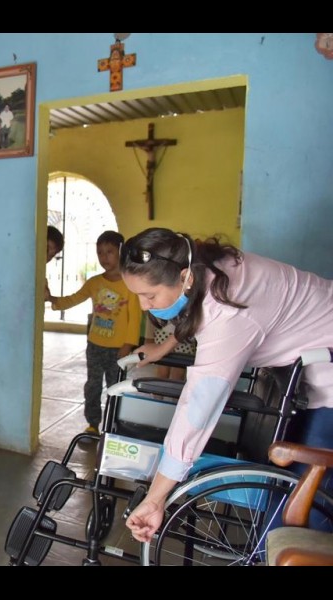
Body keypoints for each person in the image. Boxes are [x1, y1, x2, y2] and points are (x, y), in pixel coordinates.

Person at [120, 227, 333, 543]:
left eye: (149, 296)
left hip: (327, 380)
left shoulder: (230, 313)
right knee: (289, 492)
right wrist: (163, 347)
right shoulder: (204, 268)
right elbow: (197, 305)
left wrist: (156, 497)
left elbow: (198, 409)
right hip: (310, 371)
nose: (143, 306)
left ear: (185, 277)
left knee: (304, 510)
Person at [44, 230, 142, 435]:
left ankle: (115, 425)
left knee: (116, 387)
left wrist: (128, 345)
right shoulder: (94, 282)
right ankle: (93, 424)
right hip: (95, 345)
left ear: (121, 252)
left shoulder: (130, 284)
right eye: (100, 253)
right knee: (92, 386)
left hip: (119, 349)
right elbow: (74, 299)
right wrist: (52, 299)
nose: (104, 257)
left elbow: (135, 318)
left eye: (109, 252)